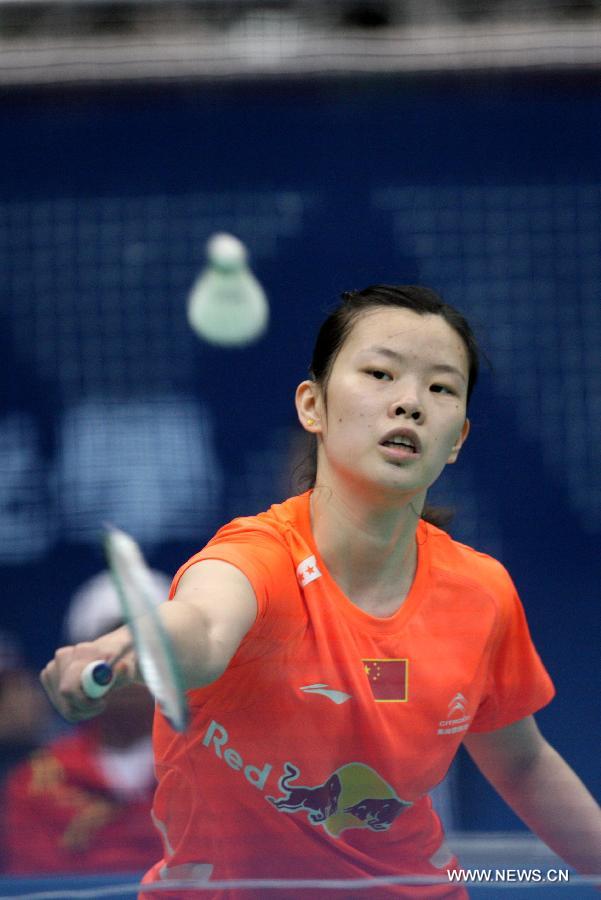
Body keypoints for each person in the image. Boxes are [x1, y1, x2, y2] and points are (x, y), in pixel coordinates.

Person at [40, 285, 601, 898]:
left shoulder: (480, 590)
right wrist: (127, 645)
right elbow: (200, 629)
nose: (410, 403)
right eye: (380, 374)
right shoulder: (260, 557)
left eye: (441, 388)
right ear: (313, 406)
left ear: (458, 438)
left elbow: (522, 763)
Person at [3, 570, 167, 876]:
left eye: (147, 648)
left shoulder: (218, 769)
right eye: (113, 650)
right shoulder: (31, 784)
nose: (130, 667)